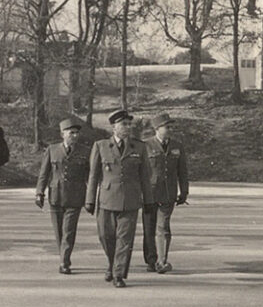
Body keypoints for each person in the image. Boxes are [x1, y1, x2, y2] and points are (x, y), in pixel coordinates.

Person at [85, 109, 154, 288]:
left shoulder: (139, 147)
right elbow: (93, 175)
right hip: (107, 199)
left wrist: (148, 201)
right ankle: (112, 264)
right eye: (124, 124)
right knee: (105, 236)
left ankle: (118, 274)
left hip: (130, 200)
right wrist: (90, 199)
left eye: (129, 124)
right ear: (114, 126)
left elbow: (145, 176)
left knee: (125, 239)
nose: (127, 127)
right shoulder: (100, 146)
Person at [35, 117, 89, 274]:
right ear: (62, 134)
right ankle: (64, 257)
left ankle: (64, 262)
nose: (75, 136)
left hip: (75, 196)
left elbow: (91, 176)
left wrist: (91, 196)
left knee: (69, 230)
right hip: (56, 196)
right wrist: (39, 193)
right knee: (59, 231)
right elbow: (44, 174)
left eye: (77, 133)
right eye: (71, 133)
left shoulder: (86, 151)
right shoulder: (52, 150)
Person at [142, 113, 189, 274]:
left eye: (171, 127)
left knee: (163, 227)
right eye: (167, 127)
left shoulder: (177, 146)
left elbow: (182, 171)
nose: (170, 129)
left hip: (168, 193)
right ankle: (151, 260)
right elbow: (140, 172)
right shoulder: (145, 145)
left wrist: (184, 192)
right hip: (149, 194)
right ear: (157, 129)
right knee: (149, 228)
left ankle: (162, 261)